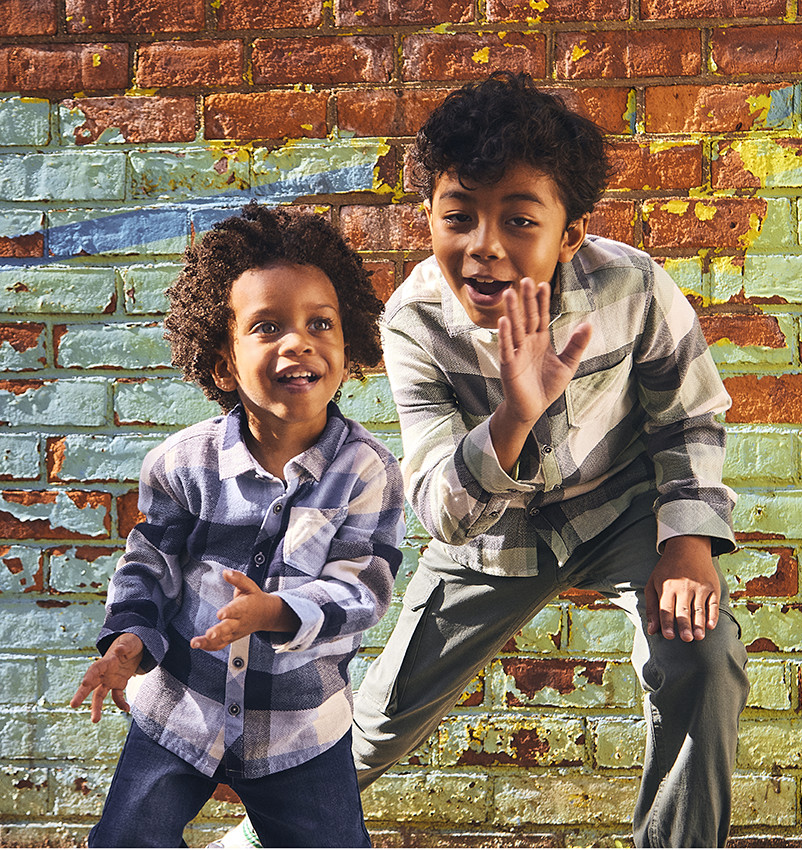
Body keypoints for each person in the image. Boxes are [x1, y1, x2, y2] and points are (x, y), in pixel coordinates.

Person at [222, 71, 750, 849]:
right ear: (429, 217)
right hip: (490, 538)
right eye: (458, 217)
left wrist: (688, 541)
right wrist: (513, 411)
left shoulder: (632, 286)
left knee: (703, 660)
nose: (484, 248)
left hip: (623, 513)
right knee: (373, 725)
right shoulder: (414, 323)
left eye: (519, 221)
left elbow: (688, 415)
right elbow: (440, 505)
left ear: (570, 234)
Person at [70, 202, 405, 848]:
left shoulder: (368, 472)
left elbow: (362, 591)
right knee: (124, 840)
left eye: (320, 324)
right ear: (223, 363)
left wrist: (277, 611)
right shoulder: (182, 464)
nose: (298, 341)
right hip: (182, 709)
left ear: (348, 343)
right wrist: (129, 640)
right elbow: (150, 564)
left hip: (298, 727)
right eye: (267, 326)